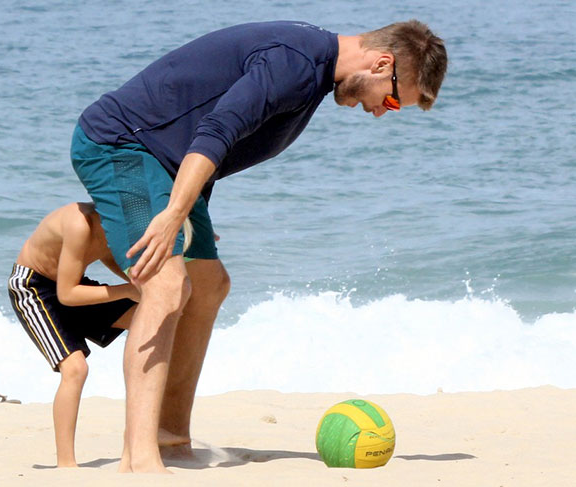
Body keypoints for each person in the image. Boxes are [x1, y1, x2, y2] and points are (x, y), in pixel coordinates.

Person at [71, 19, 447, 473]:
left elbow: (198, 122)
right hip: (121, 146)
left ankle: (170, 436)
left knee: (209, 285)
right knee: (166, 287)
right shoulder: (294, 62)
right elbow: (216, 130)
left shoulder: (315, 69)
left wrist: (194, 210)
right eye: (391, 98)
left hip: (166, 165)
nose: (381, 112)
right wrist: (174, 214)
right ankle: (139, 459)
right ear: (381, 62)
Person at [7, 202, 140, 467]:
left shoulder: (118, 224)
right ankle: (66, 465)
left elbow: (106, 254)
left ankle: (153, 432)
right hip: (33, 288)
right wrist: (126, 289)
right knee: (75, 369)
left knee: (146, 320)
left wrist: (135, 280)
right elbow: (67, 296)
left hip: (70, 282)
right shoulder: (80, 224)